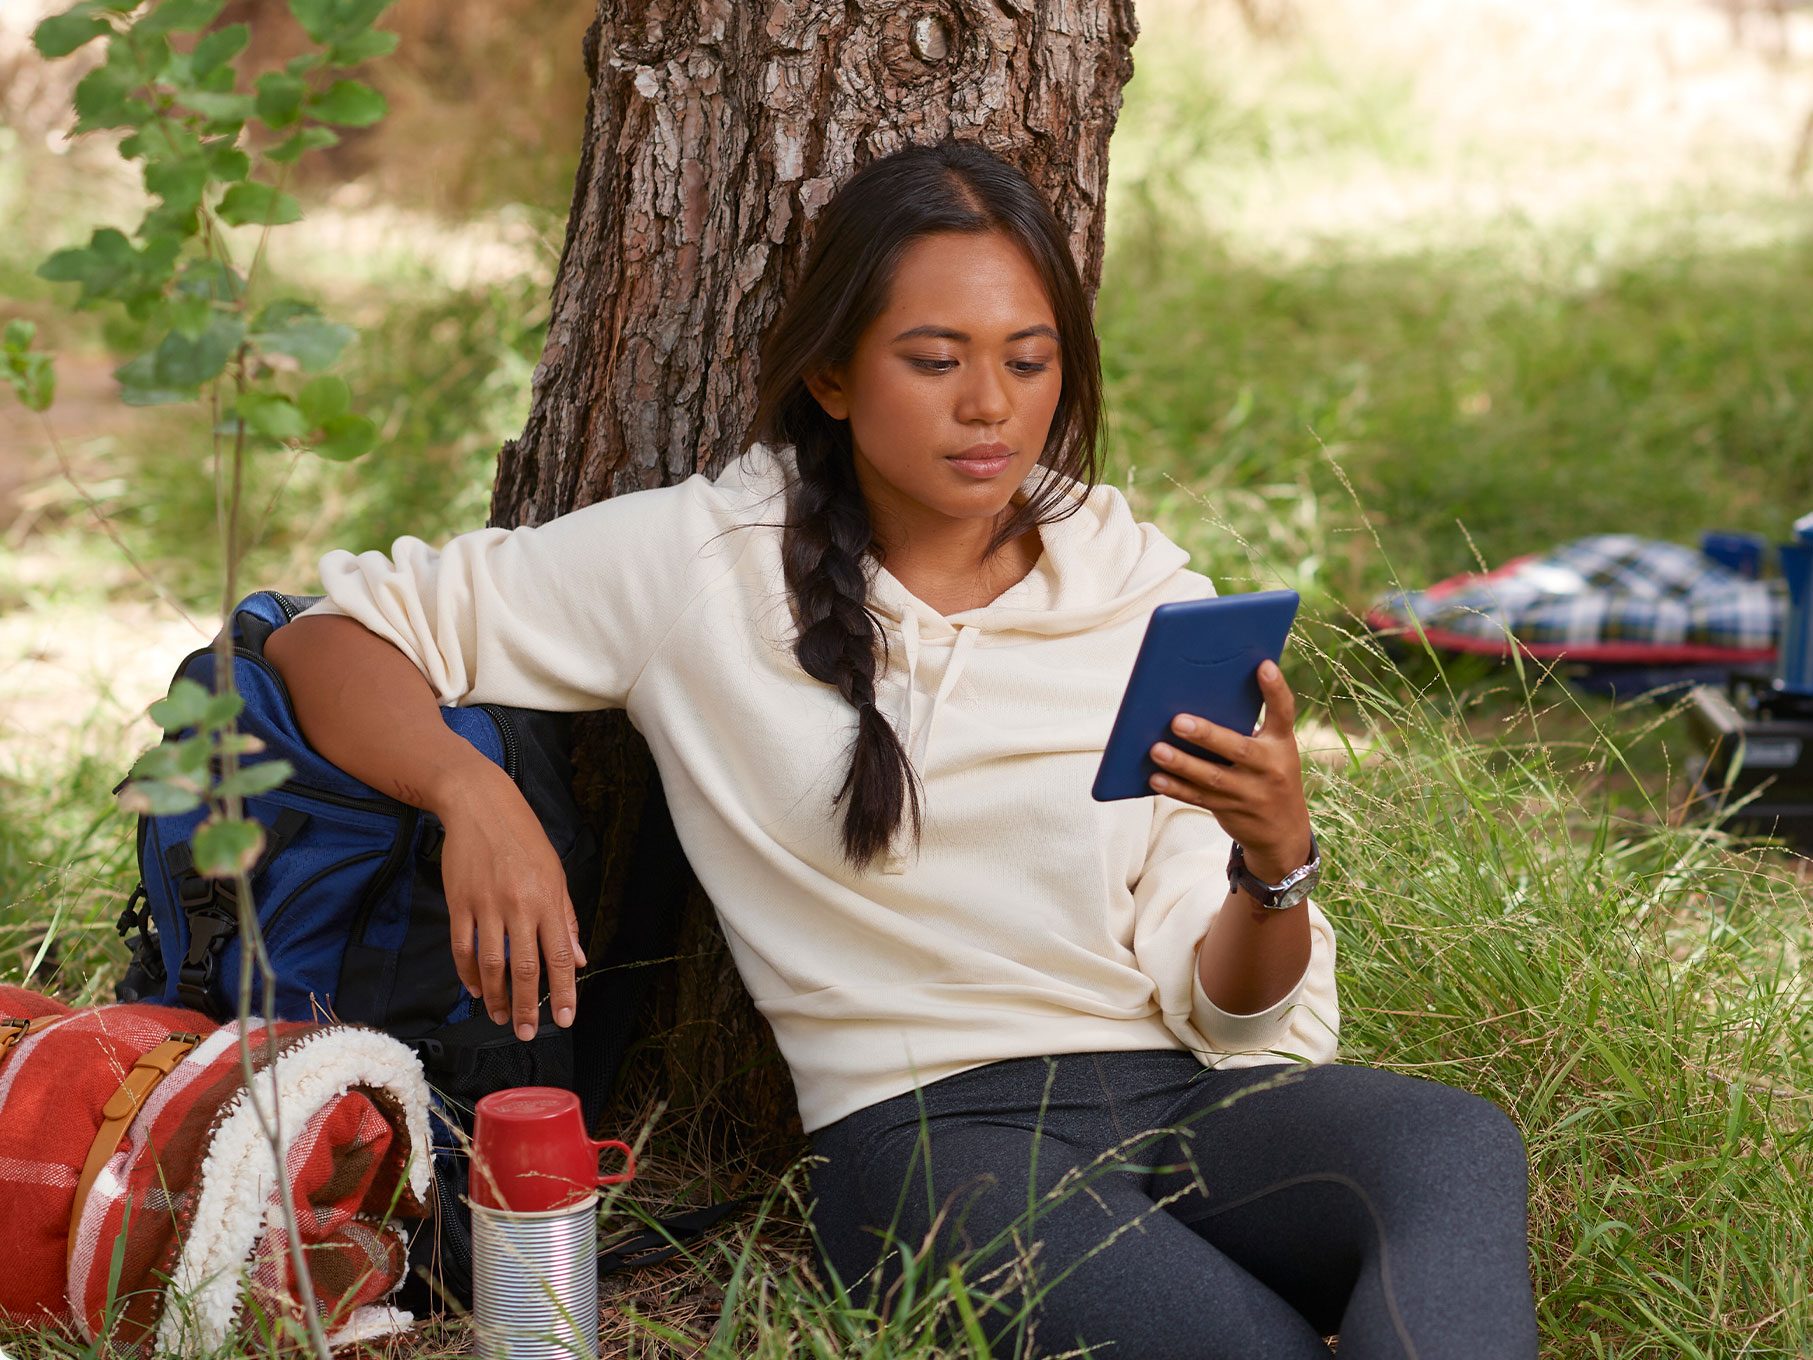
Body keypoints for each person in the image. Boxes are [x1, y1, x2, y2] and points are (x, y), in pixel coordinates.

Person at [265, 138, 1540, 1358]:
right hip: (930, 1139)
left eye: (1029, 362)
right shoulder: (703, 562)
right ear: (833, 375)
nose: (990, 405)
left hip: (1183, 1099)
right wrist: (469, 791)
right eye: (935, 359)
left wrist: (1275, 859)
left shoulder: (1136, 586)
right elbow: (330, 637)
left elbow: (1231, 1008)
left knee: (1453, 1148)